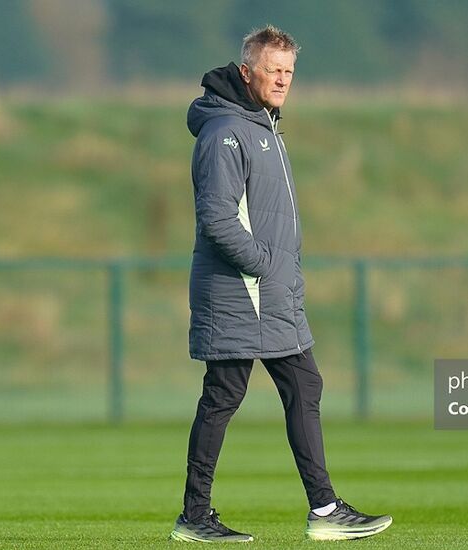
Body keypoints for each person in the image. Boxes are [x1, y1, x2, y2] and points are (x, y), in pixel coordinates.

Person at [169, 25, 392, 543]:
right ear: (247, 72)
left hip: (270, 292)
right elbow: (218, 218)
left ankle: (320, 509)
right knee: (226, 395)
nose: (283, 80)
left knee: (298, 386)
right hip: (244, 290)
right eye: (274, 70)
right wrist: (266, 264)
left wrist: (278, 272)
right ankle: (200, 517)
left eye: (289, 71)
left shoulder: (261, 126)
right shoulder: (226, 132)